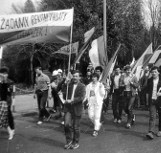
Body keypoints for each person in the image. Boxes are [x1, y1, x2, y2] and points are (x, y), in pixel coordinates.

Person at [63, 70, 86, 150]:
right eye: (74, 76)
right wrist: (65, 83)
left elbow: (81, 98)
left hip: (77, 108)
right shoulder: (69, 85)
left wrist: (72, 100)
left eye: (76, 76)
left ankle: (75, 142)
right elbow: (62, 91)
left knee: (76, 127)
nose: (75, 77)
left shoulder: (82, 86)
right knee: (66, 124)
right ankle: (68, 141)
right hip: (68, 108)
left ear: (79, 77)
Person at [146, 66, 161, 139]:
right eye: (152, 72)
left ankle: (160, 130)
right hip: (152, 100)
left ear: (158, 72)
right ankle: (151, 132)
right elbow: (147, 90)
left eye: (155, 72)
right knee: (152, 116)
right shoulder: (149, 80)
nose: (153, 73)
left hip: (160, 100)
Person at [0, 67, 15, 140]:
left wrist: (5, 80)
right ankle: (10, 130)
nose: (3, 75)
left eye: (5, 73)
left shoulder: (8, 82)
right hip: (1, 101)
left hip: (6, 101)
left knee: (7, 116)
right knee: (4, 118)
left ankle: (12, 129)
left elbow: (8, 92)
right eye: (2, 73)